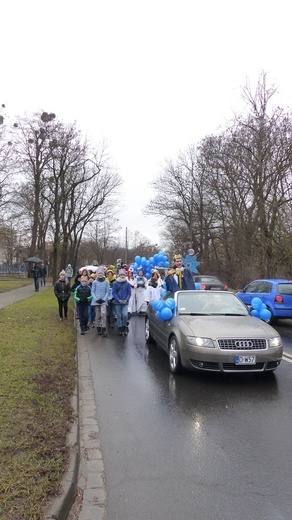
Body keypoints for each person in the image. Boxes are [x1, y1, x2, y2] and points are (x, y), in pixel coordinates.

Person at [112, 269, 132, 336]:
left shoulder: (127, 284)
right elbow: (114, 293)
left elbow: (129, 293)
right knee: (119, 315)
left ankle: (124, 326)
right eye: (121, 275)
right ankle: (120, 327)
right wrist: (118, 299)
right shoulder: (115, 283)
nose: (122, 276)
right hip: (118, 302)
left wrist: (126, 299)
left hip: (125, 302)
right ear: (119, 275)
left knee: (125, 314)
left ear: (125, 275)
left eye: (123, 275)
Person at [91, 267, 109, 337]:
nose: (100, 275)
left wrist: (104, 299)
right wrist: (96, 299)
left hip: (103, 301)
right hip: (96, 301)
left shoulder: (106, 282)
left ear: (103, 274)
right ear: (97, 274)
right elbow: (92, 291)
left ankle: (104, 328)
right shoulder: (95, 282)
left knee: (103, 314)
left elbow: (107, 292)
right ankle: (98, 327)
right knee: (98, 314)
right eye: (99, 273)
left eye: (101, 273)